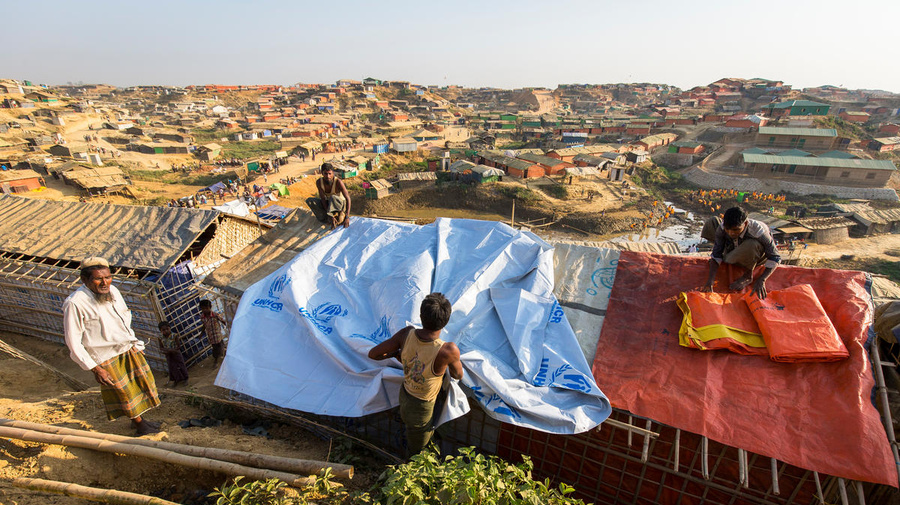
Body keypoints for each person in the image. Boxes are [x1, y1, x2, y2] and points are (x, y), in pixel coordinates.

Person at [63, 257, 160, 435]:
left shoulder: (113, 291)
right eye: (98, 279)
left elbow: (124, 318)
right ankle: (140, 426)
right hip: (105, 356)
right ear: (84, 280)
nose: (104, 282)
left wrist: (134, 343)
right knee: (124, 394)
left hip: (126, 348)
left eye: (107, 277)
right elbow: (72, 340)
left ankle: (139, 420)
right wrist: (95, 368)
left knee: (139, 386)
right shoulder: (75, 303)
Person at [368, 293, 463, 457]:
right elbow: (458, 375)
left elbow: (374, 354)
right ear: (446, 321)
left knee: (416, 431)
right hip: (421, 408)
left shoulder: (406, 334)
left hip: (406, 395)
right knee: (418, 451)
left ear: (420, 316)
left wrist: (397, 354)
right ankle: (411, 472)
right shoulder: (447, 350)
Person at [700, 206, 780, 299]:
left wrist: (762, 279)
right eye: (727, 229)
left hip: (757, 255)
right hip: (735, 246)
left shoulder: (758, 231)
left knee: (752, 244)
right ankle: (731, 255)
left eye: (735, 230)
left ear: (745, 223)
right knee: (712, 222)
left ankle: (747, 276)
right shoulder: (722, 228)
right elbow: (716, 254)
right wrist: (710, 281)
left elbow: (775, 257)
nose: (731, 233)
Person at [316, 163, 351, 229]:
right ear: (322, 173)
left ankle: (340, 214)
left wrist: (347, 217)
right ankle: (328, 217)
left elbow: (348, 198)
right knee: (312, 201)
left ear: (333, 173)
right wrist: (330, 215)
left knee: (333, 197)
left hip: (340, 205)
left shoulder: (338, 182)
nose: (328, 176)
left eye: (330, 174)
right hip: (330, 205)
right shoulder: (319, 182)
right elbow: (323, 199)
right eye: (325, 174)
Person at [157, 321, 189, 387]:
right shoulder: (160, 338)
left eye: (167, 329)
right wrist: (166, 351)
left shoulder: (174, 335)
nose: (166, 331)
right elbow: (161, 347)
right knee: (172, 367)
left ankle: (186, 378)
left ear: (170, 328)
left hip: (176, 353)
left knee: (181, 365)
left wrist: (172, 350)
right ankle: (176, 380)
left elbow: (178, 346)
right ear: (161, 331)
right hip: (168, 355)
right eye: (163, 330)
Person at [199, 299, 227, 366]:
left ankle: (219, 358)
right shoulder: (202, 317)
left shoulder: (215, 315)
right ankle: (216, 359)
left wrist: (227, 325)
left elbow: (222, 320)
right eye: (203, 308)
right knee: (215, 348)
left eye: (206, 308)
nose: (205, 310)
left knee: (220, 345)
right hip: (211, 335)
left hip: (217, 334)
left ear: (210, 307)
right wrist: (201, 333)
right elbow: (204, 325)